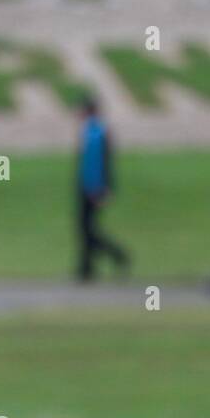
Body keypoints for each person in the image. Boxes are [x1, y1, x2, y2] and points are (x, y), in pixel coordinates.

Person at [73, 98, 129, 281]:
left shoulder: (97, 133)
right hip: (86, 185)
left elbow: (103, 163)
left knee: (87, 229)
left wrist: (102, 188)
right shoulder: (89, 131)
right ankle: (87, 268)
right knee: (85, 229)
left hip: (92, 187)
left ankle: (117, 255)